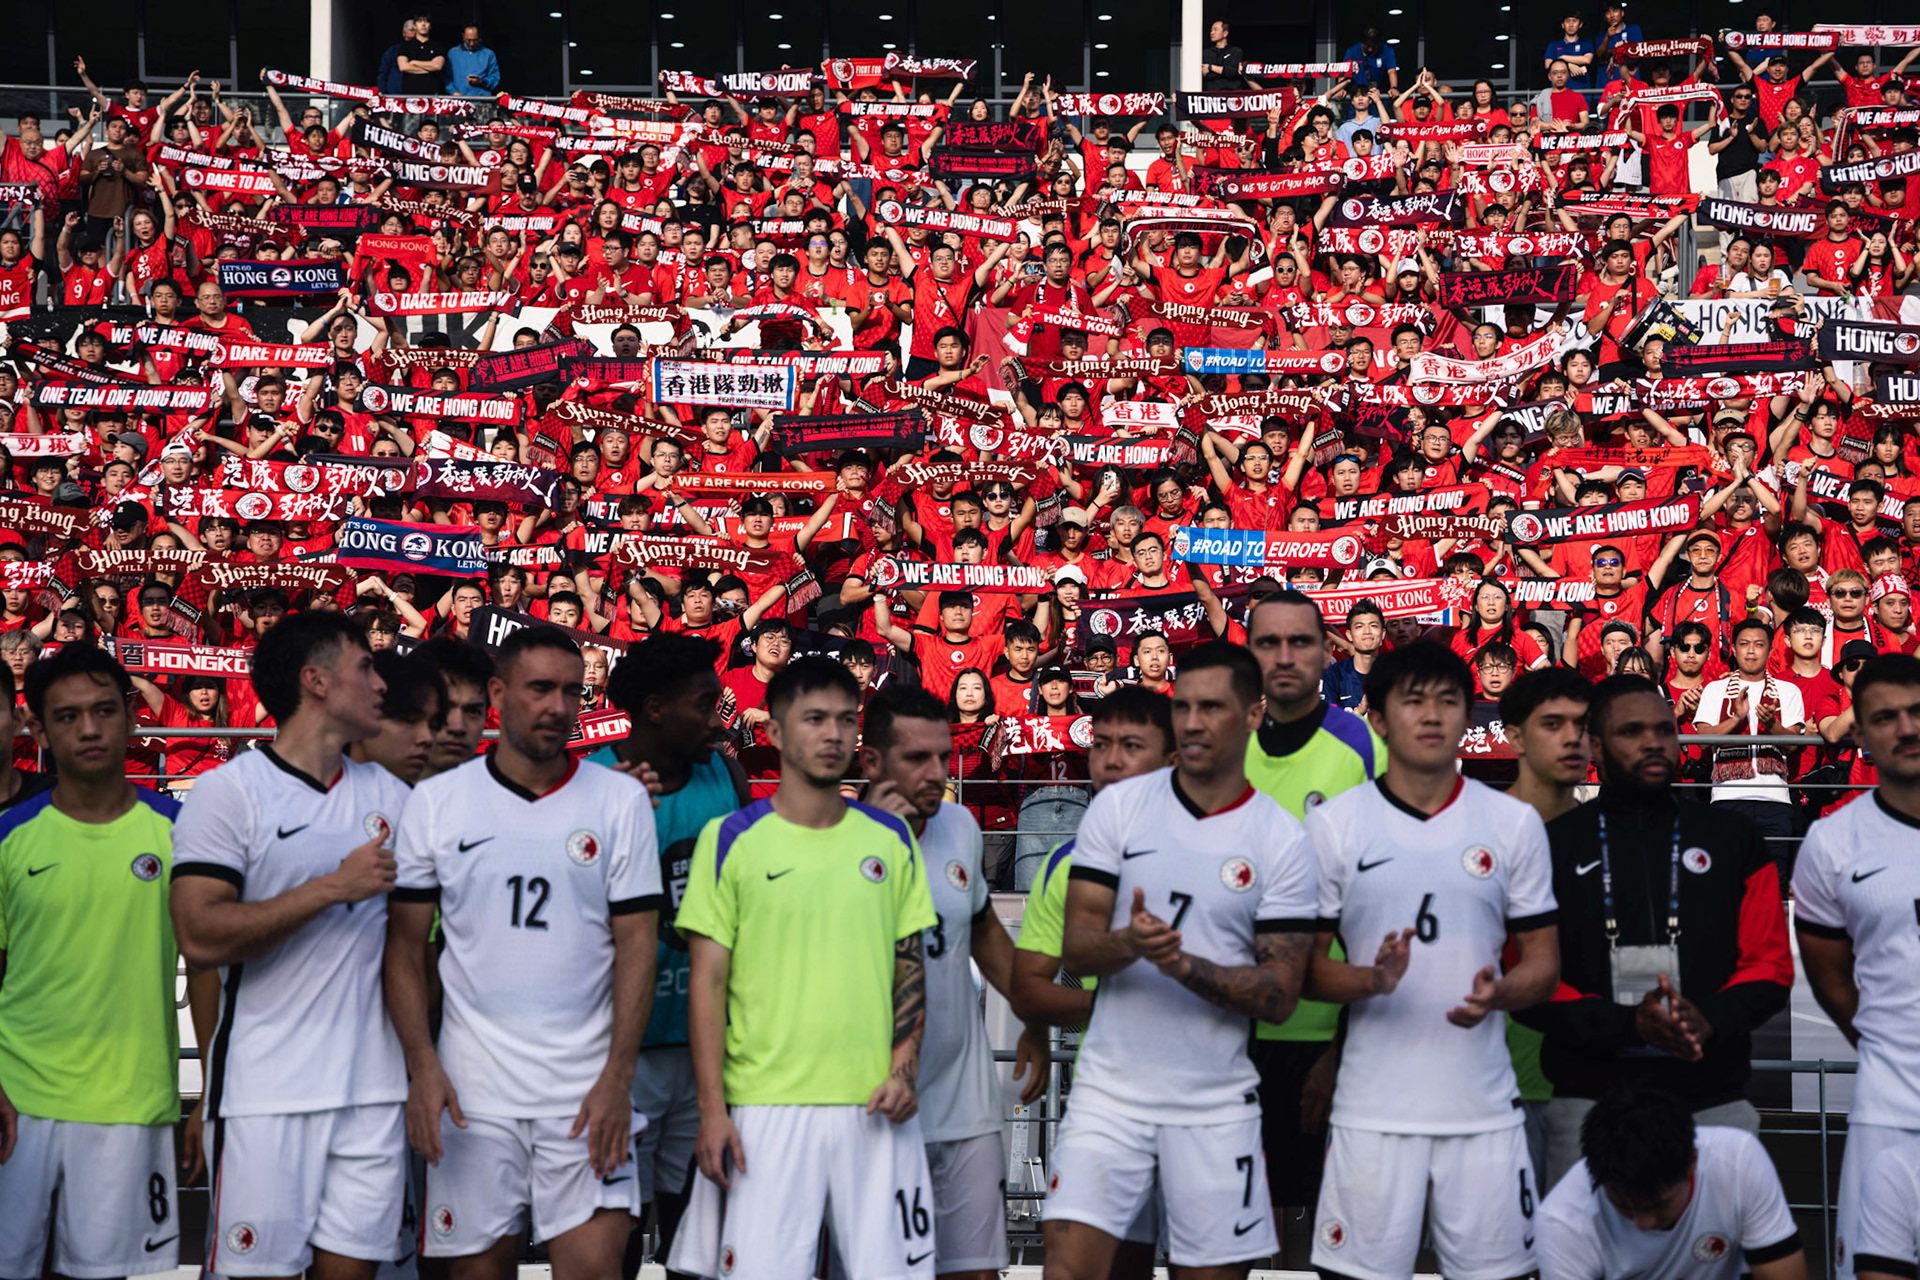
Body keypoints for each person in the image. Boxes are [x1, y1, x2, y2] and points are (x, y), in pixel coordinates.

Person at [387, 625, 662, 1272]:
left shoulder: (618, 799)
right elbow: (402, 950)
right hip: (471, 1096)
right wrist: (422, 1068)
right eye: (540, 689)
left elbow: (638, 949)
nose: (557, 707)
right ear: (498, 693)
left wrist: (619, 1079)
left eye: (572, 692)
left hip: (586, 1093)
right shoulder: (437, 802)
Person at [1046, 641, 1319, 1280]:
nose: (1193, 722)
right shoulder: (1119, 807)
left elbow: (1280, 994)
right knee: (1067, 1271)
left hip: (1217, 1103)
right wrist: (1130, 944)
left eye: (1212, 707)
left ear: (1253, 716)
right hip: (1109, 1095)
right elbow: (1076, 946)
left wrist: (1181, 964)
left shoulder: (1281, 839)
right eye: (1183, 707)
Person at [668, 656, 939, 1280]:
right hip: (764, 1109)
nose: (833, 735)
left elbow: (908, 964)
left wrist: (905, 1070)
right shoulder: (730, 838)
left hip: (875, 1106)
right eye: (814, 719)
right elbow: (707, 984)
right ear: (774, 733)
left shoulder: (891, 838)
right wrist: (713, 1111)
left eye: (846, 721)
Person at [1304, 642, 1561, 1280]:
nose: (1432, 715)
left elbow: (1543, 965)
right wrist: (1371, 980)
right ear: (1380, 718)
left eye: (1448, 701)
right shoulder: (1335, 826)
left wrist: (1501, 992)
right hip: (1371, 1111)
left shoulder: (1512, 824)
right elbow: (1301, 969)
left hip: (1483, 1112)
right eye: (1413, 700)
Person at [169, 611, 415, 1276]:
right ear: (316, 682)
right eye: (365, 666)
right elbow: (199, 931)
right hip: (263, 1091)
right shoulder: (228, 793)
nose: (380, 683)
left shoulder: (394, 798)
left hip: (373, 1090)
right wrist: (330, 888)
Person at [1518, 675, 1791, 1194]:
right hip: (1587, 1094)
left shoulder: (1732, 837)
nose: (1652, 742)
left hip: (1712, 1095)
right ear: (1595, 745)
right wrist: (1627, 1025)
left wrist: (1706, 1019)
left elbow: (1771, 965)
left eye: (1665, 730)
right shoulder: (1550, 844)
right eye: (1632, 731)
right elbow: (1528, 979)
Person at [0, 646, 202, 1278]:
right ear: (37, 729)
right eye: (67, 716)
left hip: (130, 1103)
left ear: (132, 719)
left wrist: (214, 1084)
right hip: (17, 1103)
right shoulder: (10, 837)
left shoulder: (181, 833)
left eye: (104, 711)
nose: (88, 729)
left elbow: (206, 964)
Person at [858, 687, 1045, 1280]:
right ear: (871, 764)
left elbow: (985, 928)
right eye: (917, 759)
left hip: (963, 1105)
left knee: (976, 1273)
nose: (937, 774)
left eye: (943, 756)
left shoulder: (961, 825)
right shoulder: (833, 838)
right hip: (869, 1105)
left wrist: (1032, 1015)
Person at [589, 633, 750, 1280]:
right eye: (705, 703)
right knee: (615, 1236)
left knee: (698, 1240)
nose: (718, 717)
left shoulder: (726, 774)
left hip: (704, 1051)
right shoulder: (596, 784)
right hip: (617, 1054)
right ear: (654, 708)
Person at [1007, 686, 1175, 1280]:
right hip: (1106, 1100)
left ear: (1172, 758)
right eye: (1101, 744)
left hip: (1208, 1101)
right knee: (1085, 1264)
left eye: (1132, 746)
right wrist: (1108, 1006)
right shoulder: (1064, 863)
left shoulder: (1229, 846)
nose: (1110, 760)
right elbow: (1028, 987)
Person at [1238, 590, 1388, 1236]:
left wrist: (1341, 1044)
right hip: (1227, 1035)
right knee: (1236, 1223)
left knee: (1325, 1225)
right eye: (1268, 642)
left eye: (1300, 641)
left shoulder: (1360, 747)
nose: (1285, 655)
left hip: (1324, 1037)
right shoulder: (1222, 747)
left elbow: (1379, 910)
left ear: (1328, 652)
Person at [1789, 654, 1920, 1280]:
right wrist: (1884, 1044)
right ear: (1860, 736)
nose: (1907, 728)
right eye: (1886, 717)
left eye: (1918, 712)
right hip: (1888, 1110)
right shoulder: (1832, 842)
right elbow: (1829, 975)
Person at [1537, 1087, 1805, 1280]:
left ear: (1693, 1161)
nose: (1643, 1223)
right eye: (1623, 1206)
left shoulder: (1737, 1161)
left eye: (1658, 1204)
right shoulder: (1562, 1219)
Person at [1499, 666, 1597, 1183]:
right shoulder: (1474, 830)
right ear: (1514, 735)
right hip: (1492, 1085)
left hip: (1587, 1083)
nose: (1573, 739)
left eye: (1582, 726)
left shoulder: (1608, 838)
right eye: (1553, 724)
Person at [1694, 619, 1805, 855]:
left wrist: (1771, 724)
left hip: (1775, 800)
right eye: (1744, 644)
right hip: (1727, 798)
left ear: (1770, 650)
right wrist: (1736, 719)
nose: (1751, 650)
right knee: (1728, 877)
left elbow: (1794, 744)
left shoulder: (1788, 691)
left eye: (1758, 644)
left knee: (1775, 879)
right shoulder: (1715, 689)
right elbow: (1702, 739)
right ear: (1734, 649)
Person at [347, 649, 446, 786]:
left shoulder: (432, 804)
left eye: (434, 725)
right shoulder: (313, 799)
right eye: (409, 720)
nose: (427, 738)